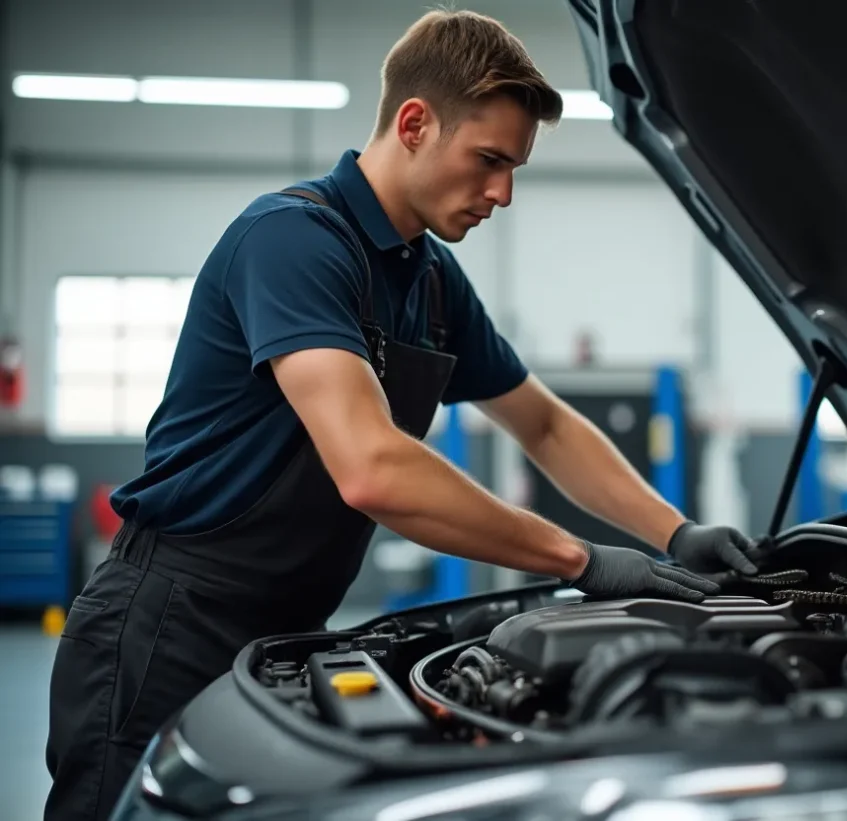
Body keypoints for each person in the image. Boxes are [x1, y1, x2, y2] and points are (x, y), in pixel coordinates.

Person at [43, 9, 758, 821]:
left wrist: (673, 532)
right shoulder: (293, 240)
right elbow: (371, 467)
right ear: (414, 123)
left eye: (515, 167)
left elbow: (545, 424)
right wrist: (581, 560)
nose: (504, 193)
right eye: (488, 160)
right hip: (166, 623)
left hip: (283, 635)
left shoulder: (430, 279)